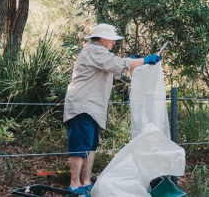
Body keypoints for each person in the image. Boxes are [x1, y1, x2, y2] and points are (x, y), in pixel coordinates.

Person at [63, 24, 161, 197]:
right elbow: (116, 64)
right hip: (82, 106)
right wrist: (144, 60)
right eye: (112, 39)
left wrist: (133, 63)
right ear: (101, 38)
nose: (114, 43)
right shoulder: (94, 50)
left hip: (92, 107)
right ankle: (75, 186)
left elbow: (115, 70)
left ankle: (86, 183)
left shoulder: (99, 53)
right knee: (80, 146)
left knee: (90, 146)